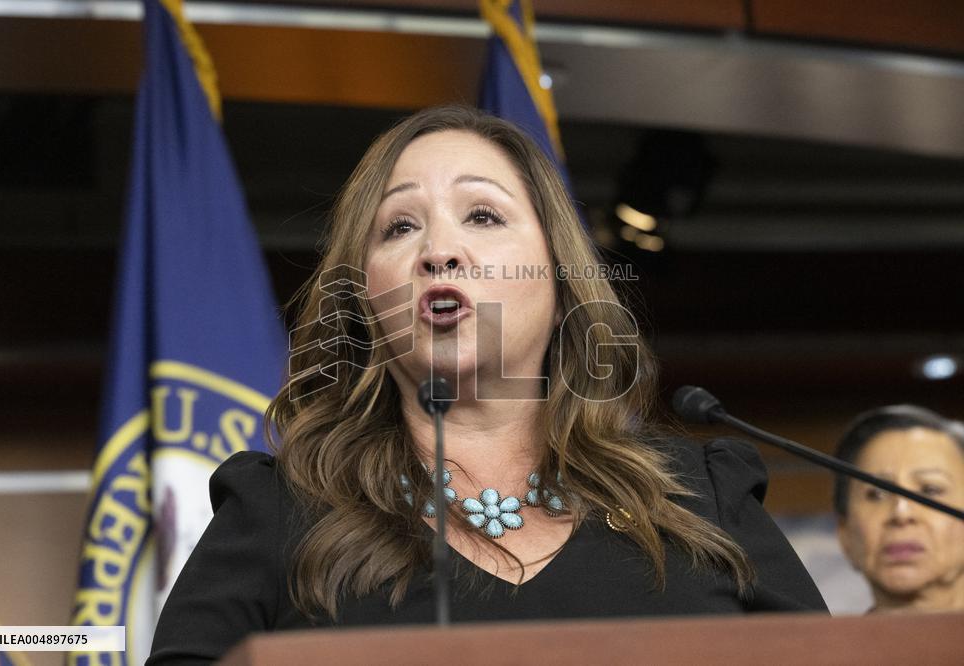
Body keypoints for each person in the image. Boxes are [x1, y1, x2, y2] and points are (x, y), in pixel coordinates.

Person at [147, 105, 826, 664]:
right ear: (364, 305)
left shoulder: (700, 497)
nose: (439, 251)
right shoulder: (275, 513)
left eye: (482, 216)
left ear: (560, 285)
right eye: (400, 226)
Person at [834, 405, 964, 613]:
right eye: (876, 494)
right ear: (844, 533)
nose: (901, 514)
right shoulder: (817, 637)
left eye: (930, 490)